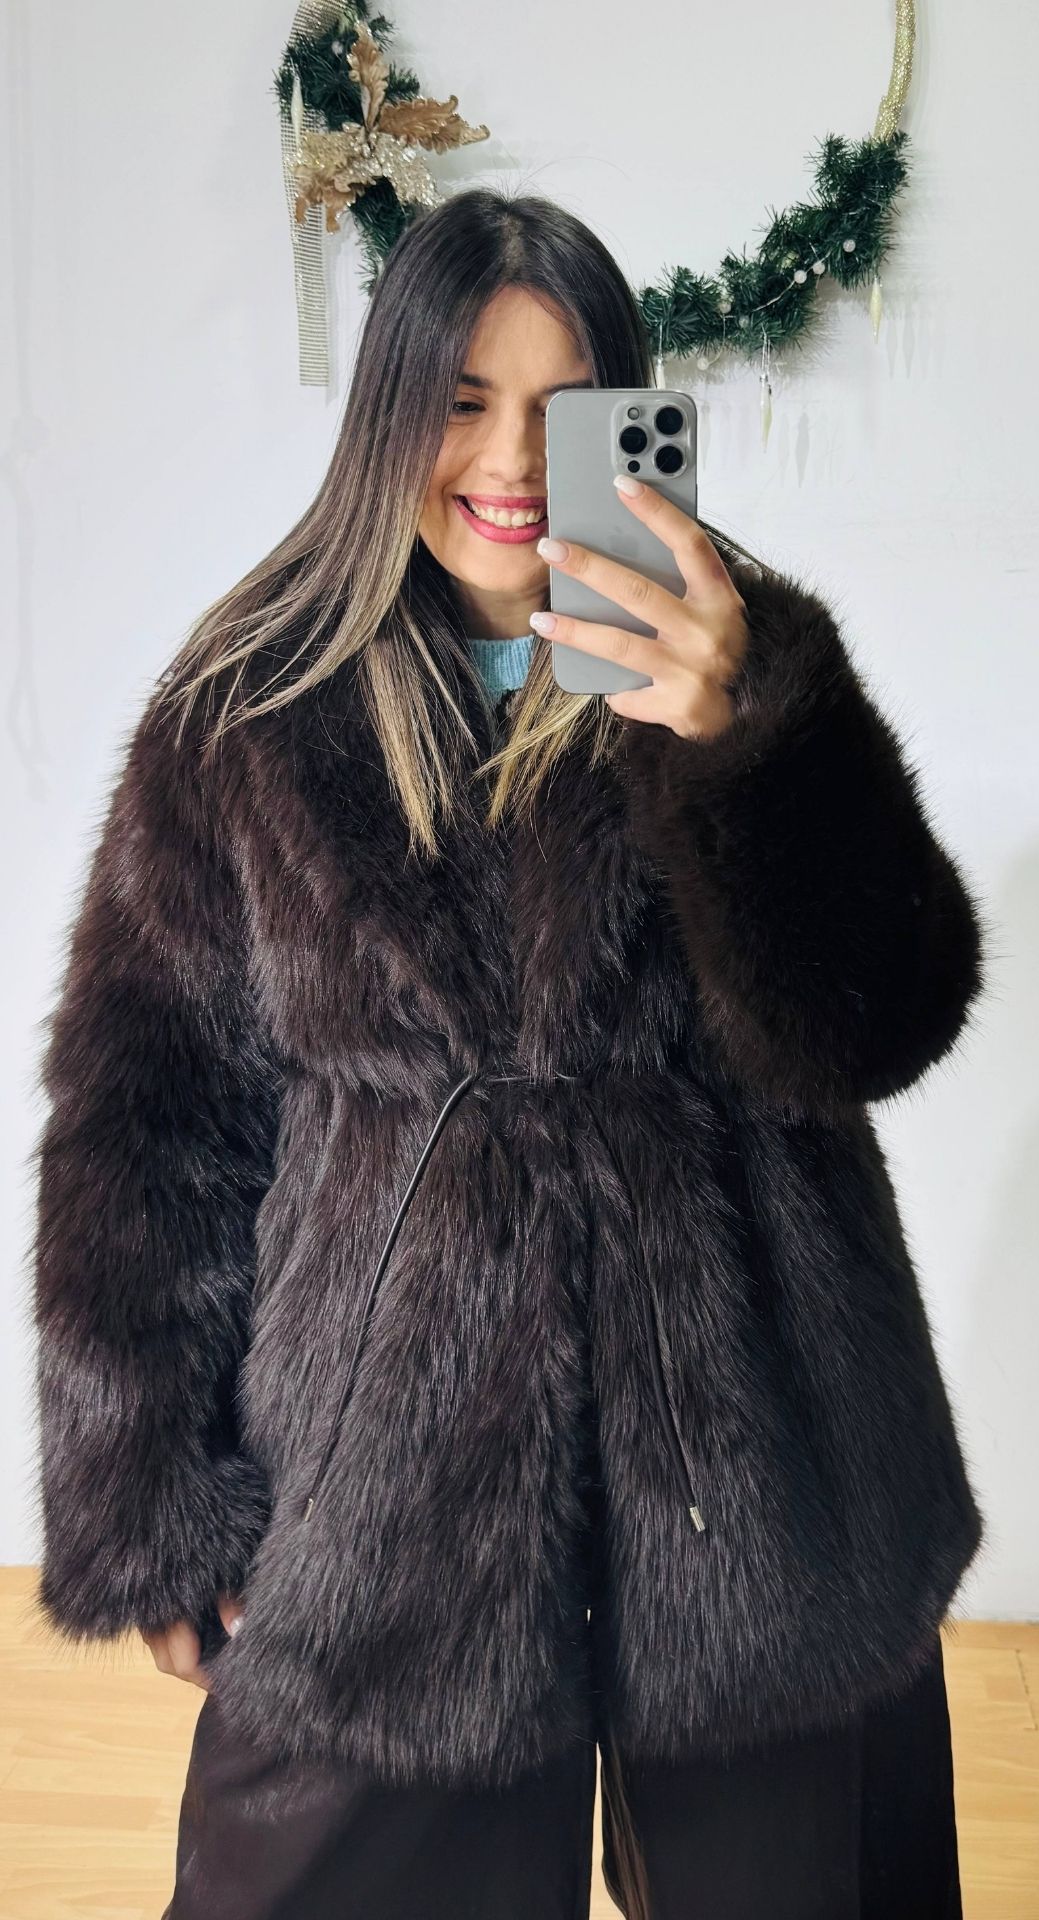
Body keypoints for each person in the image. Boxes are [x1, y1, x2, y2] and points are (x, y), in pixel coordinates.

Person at [29, 188, 987, 1919]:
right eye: (463, 401)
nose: (513, 462)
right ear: (386, 411)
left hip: (758, 1443)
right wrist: (148, 1494)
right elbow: (145, 1118)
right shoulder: (250, 705)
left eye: (567, 407)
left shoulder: (743, 653)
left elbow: (880, 1020)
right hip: (392, 1463)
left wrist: (743, 743)